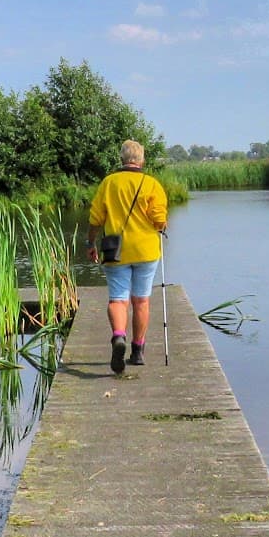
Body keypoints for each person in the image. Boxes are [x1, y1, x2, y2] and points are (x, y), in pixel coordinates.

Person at [85, 140, 168, 373]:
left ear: (122, 159)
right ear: (141, 160)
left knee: (118, 299)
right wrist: (162, 224)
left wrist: (90, 243)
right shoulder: (152, 184)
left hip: (115, 251)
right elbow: (159, 219)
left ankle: (118, 336)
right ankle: (138, 350)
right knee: (141, 300)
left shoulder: (109, 183)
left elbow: (95, 219)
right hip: (146, 250)